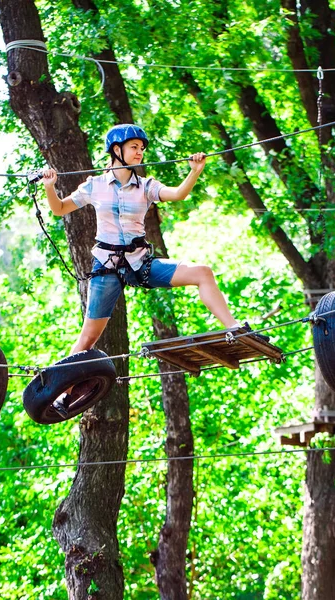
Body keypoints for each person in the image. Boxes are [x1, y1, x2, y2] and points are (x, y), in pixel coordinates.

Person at [42, 124, 241, 417]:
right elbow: (59, 209)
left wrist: (195, 171)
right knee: (88, 338)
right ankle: (60, 393)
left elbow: (177, 195)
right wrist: (49, 185)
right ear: (116, 150)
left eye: (142, 148)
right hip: (108, 267)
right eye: (134, 147)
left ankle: (233, 328)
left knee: (202, 272)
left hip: (140, 264)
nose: (140, 153)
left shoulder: (146, 185)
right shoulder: (94, 186)